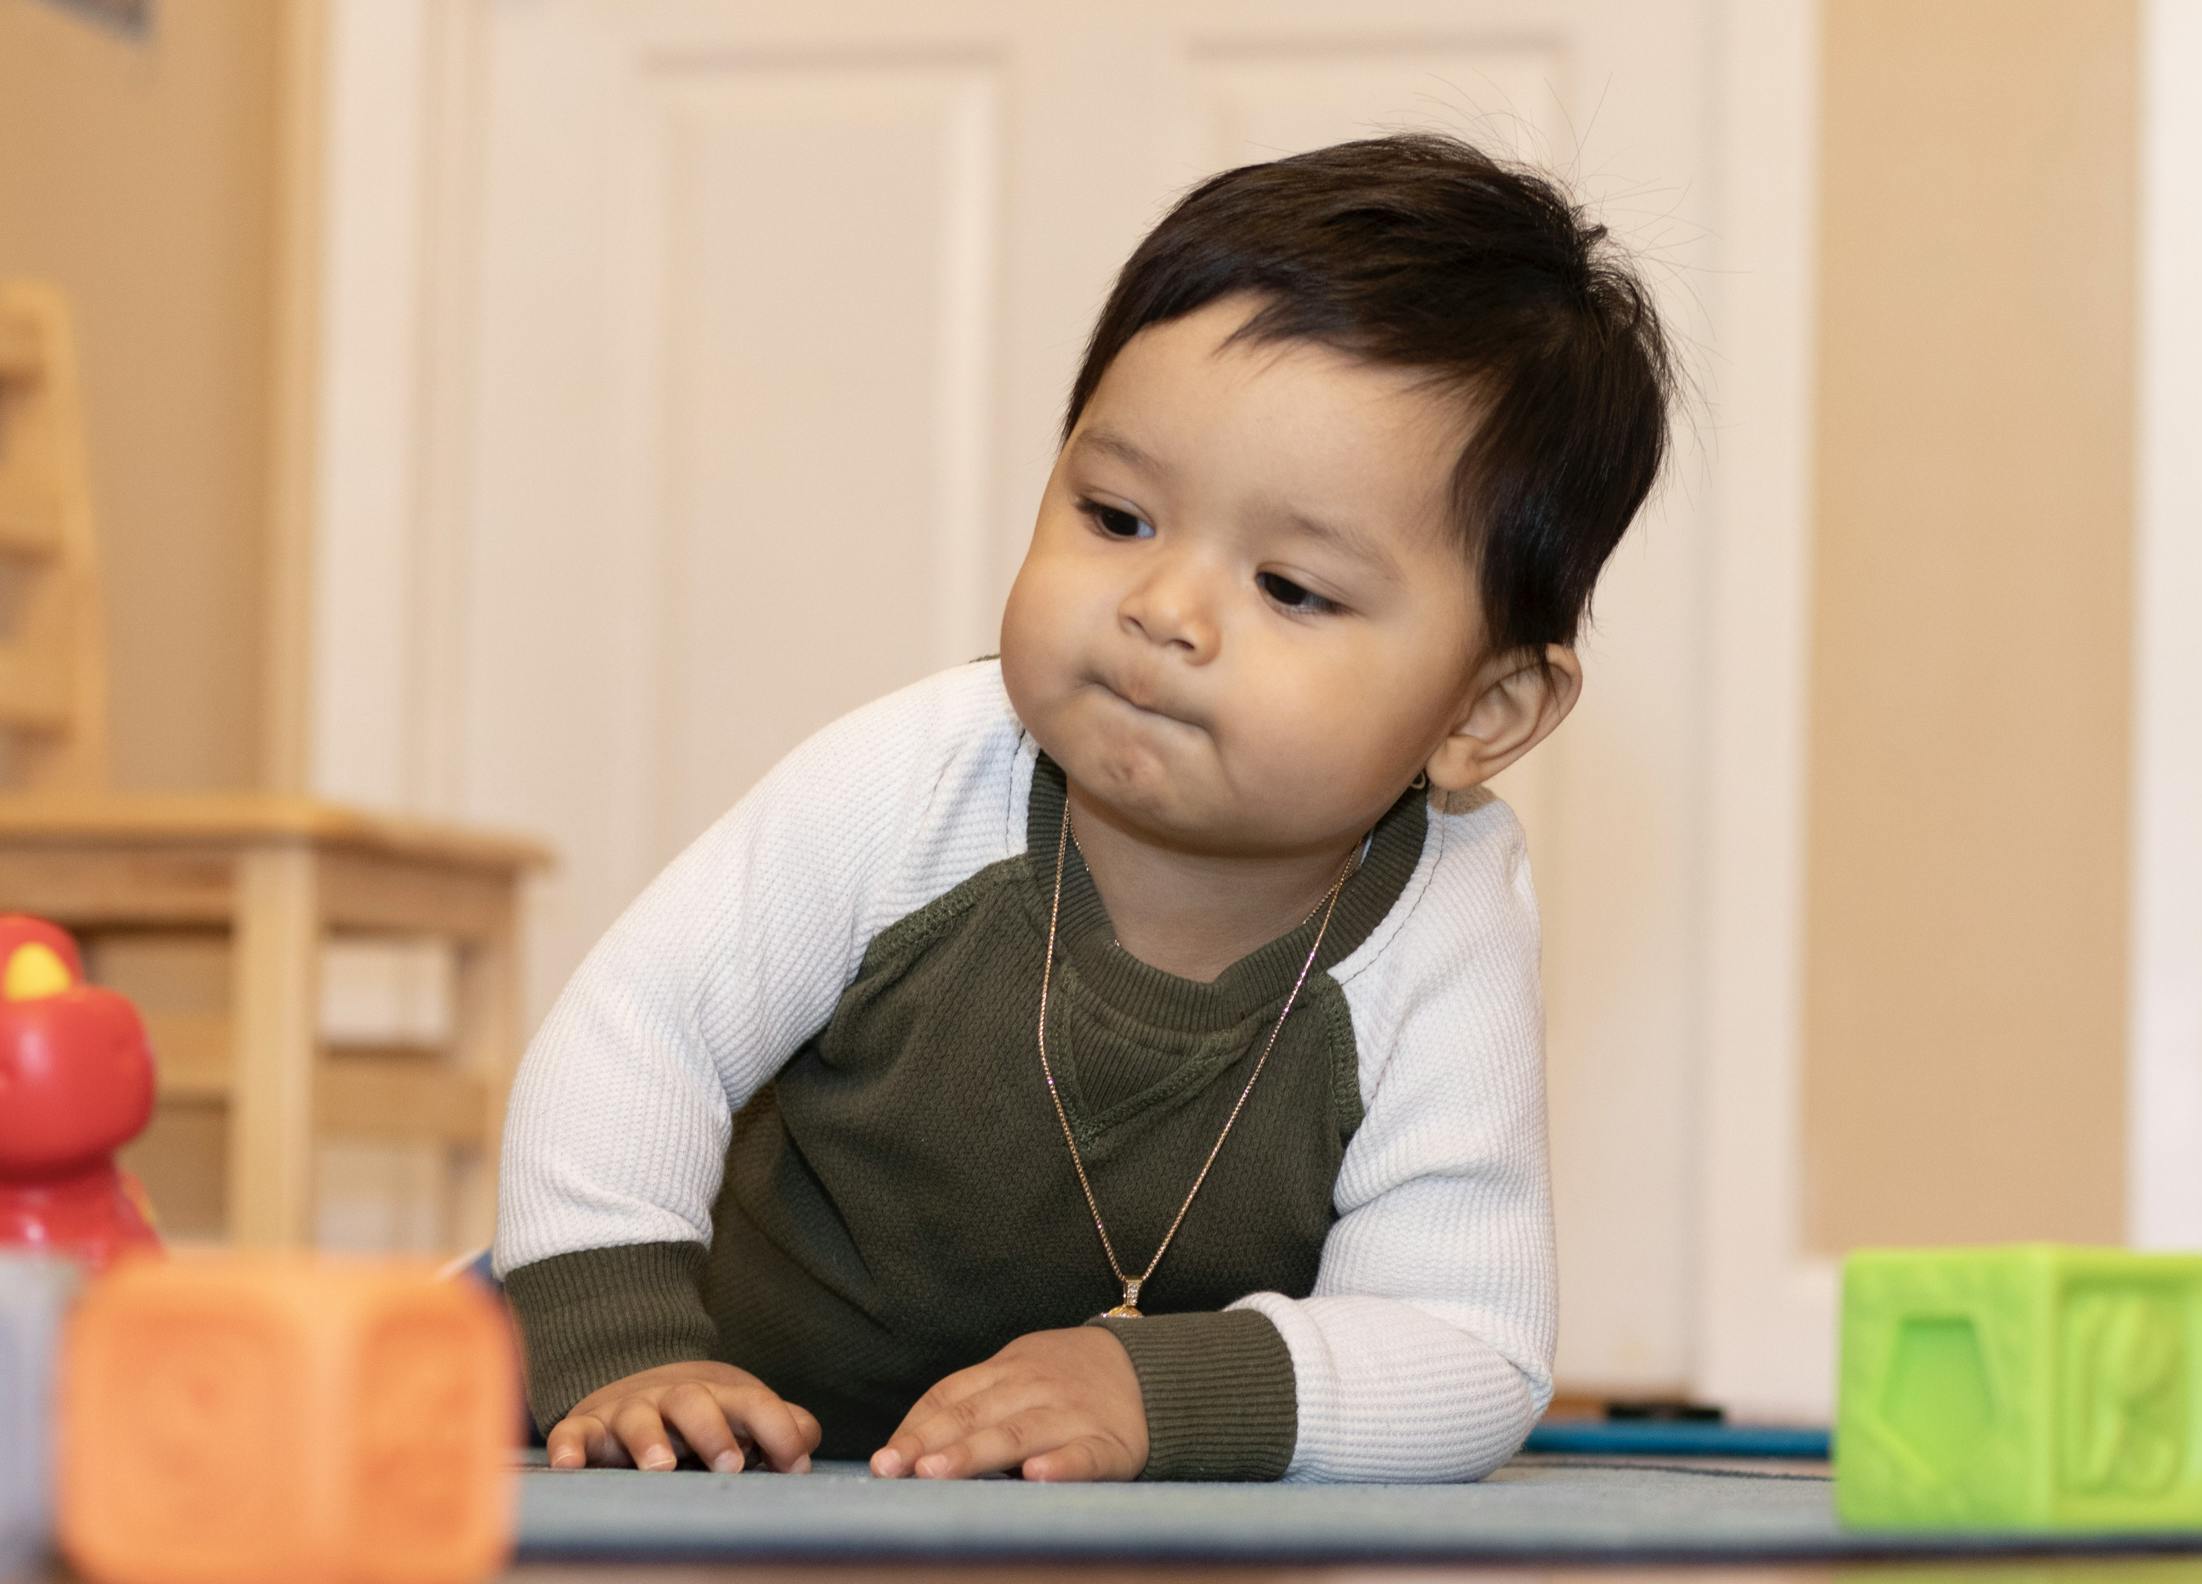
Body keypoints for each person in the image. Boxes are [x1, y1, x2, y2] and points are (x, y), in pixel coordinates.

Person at [494, 131, 1677, 1485]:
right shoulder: (921, 779)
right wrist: (625, 1342)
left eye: (1290, 589)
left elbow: (1469, 1344)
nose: (1161, 611)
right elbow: (641, 1032)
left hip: (1060, 1511)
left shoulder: (1443, 922)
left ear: (1484, 713)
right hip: (708, 1425)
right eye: (1116, 515)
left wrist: (1153, 1389)